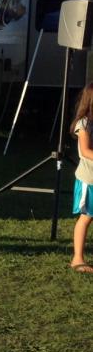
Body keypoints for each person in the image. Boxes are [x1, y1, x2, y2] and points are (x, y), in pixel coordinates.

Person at [70, 82, 93, 273]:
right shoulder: (83, 124)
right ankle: (77, 258)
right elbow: (85, 151)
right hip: (89, 180)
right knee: (86, 217)